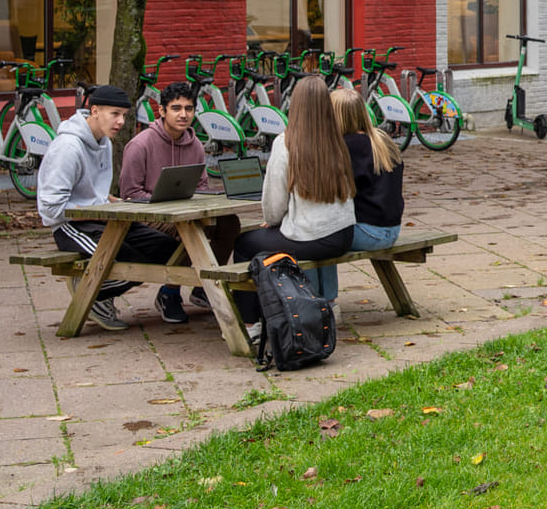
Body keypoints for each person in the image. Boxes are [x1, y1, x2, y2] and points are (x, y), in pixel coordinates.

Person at [36, 84, 179, 333]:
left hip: (104, 219)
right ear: (94, 111)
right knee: (131, 262)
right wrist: (99, 210)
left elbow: (95, 193)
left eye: (124, 115)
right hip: (70, 226)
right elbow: (50, 207)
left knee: (168, 251)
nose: (121, 121)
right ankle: (91, 292)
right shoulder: (68, 148)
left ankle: (98, 292)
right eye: (115, 114)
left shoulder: (104, 142)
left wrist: (116, 203)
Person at [231, 75, 355, 332]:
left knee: (244, 244)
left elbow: (274, 204)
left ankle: (250, 323)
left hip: (311, 237)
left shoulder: (285, 142)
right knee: (266, 240)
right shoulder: (337, 141)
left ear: (294, 104)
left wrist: (273, 223)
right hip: (343, 234)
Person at [118, 80, 233, 324]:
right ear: (162, 111)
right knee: (188, 231)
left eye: (189, 109)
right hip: (148, 218)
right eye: (176, 108)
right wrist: (163, 204)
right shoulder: (140, 145)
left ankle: (204, 286)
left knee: (229, 223)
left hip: (187, 214)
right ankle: (169, 293)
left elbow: (201, 188)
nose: (183, 114)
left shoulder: (196, 145)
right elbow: (129, 194)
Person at [314, 87, 405, 299]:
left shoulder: (346, 147)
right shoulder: (382, 141)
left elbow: (332, 192)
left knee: (315, 236)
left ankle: (325, 301)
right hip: (392, 228)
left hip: (368, 231)